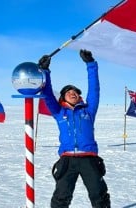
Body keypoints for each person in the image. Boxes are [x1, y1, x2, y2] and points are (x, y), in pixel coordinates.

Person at [38, 49, 111, 208]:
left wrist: (91, 64)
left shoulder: (88, 110)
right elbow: (47, 94)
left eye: (76, 92)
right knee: (61, 196)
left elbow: (94, 90)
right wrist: (44, 71)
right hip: (67, 159)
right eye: (69, 92)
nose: (73, 93)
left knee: (99, 194)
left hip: (89, 158)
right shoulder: (59, 112)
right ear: (63, 97)